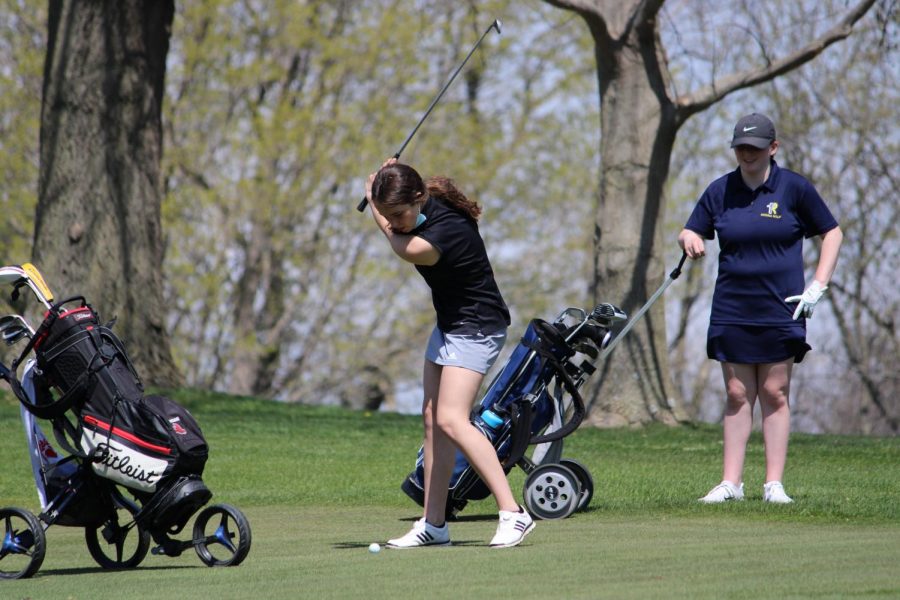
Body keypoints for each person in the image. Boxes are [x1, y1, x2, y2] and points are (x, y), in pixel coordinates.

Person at [365, 158, 534, 547]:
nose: (397, 221)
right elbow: (400, 222)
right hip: (450, 326)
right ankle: (434, 524)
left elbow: (401, 247)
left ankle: (513, 513)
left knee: (453, 420)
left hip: (477, 328)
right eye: (390, 214)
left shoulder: (444, 233)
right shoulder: (425, 204)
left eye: (399, 213)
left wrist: (373, 202)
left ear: (420, 197)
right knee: (431, 420)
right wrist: (389, 182)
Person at [678, 113, 843, 504]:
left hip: (781, 306)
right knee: (737, 392)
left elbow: (831, 232)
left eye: (754, 147)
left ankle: (774, 484)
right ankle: (731, 483)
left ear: (773, 148)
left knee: (775, 390)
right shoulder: (721, 190)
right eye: (740, 147)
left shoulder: (794, 189)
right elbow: (693, 227)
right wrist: (690, 238)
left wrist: (818, 285)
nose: (746, 154)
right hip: (733, 305)